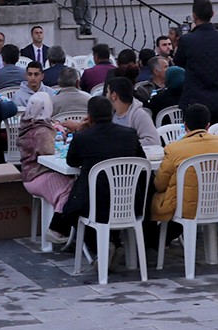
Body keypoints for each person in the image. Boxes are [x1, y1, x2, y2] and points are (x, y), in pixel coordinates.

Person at [50, 95, 147, 246]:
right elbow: (141, 161)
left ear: (89, 117)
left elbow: (72, 162)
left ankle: (100, 247)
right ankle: (112, 244)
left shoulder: (83, 138)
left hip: (95, 204)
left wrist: (80, 131)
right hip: (129, 201)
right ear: (112, 112)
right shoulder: (129, 134)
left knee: (72, 209)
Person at [148, 103, 218, 251]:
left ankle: (150, 241)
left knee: (153, 194)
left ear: (184, 125)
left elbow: (160, 184)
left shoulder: (174, 149)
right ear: (208, 125)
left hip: (184, 206)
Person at [15, 92, 75, 222]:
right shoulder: (42, 132)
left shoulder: (27, 123)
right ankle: (59, 226)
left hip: (28, 173)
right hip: (38, 174)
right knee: (71, 189)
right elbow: (52, 153)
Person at [171, 0, 218, 124]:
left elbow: (178, 62)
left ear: (194, 16)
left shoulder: (187, 40)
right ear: (213, 14)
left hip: (194, 100)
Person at [105, 77, 159, 152]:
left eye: (107, 92)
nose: (106, 95)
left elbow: (154, 141)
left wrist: (127, 144)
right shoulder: (109, 114)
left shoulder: (139, 115)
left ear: (114, 95)